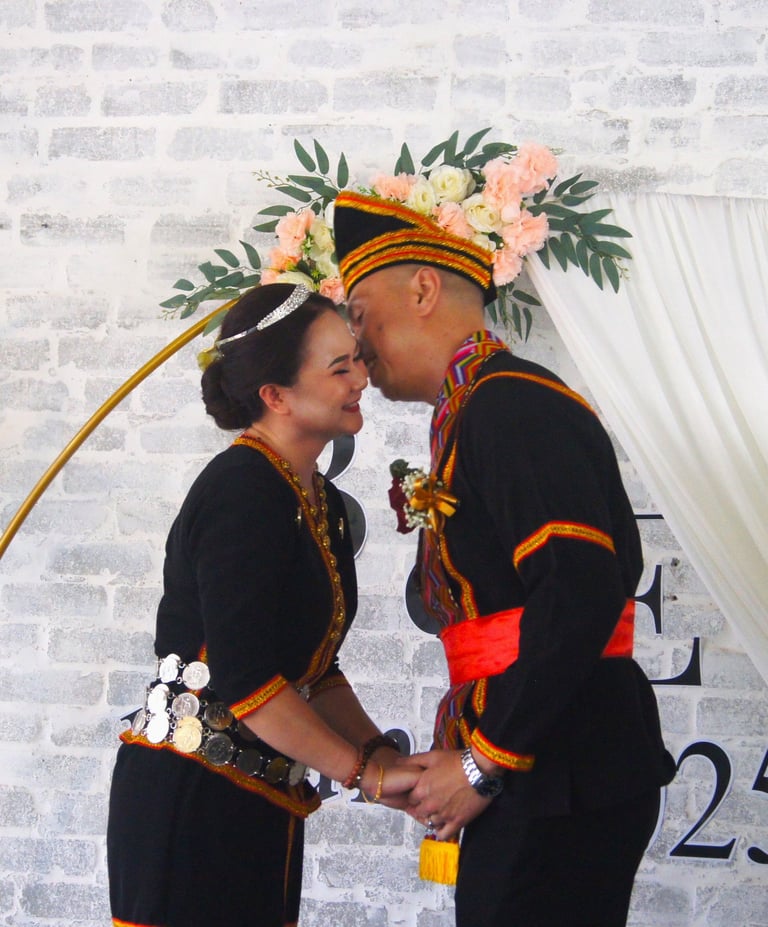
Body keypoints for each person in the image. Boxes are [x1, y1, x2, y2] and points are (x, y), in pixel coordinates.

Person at [333, 192, 676, 927]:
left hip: (560, 767)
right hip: (544, 760)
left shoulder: (511, 405)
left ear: (423, 288)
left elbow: (579, 591)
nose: (355, 345)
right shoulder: (478, 408)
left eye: (359, 315)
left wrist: (482, 760)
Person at [107, 283, 419, 927]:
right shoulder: (242, 490)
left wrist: (383, 757)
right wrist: (364, 775)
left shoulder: (320, 501)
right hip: (191, 800)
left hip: (262, 798)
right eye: (340, 368)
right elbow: (249, 683)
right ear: (275, 396)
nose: (362, 378)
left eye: (357, 360)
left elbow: (315, 671)